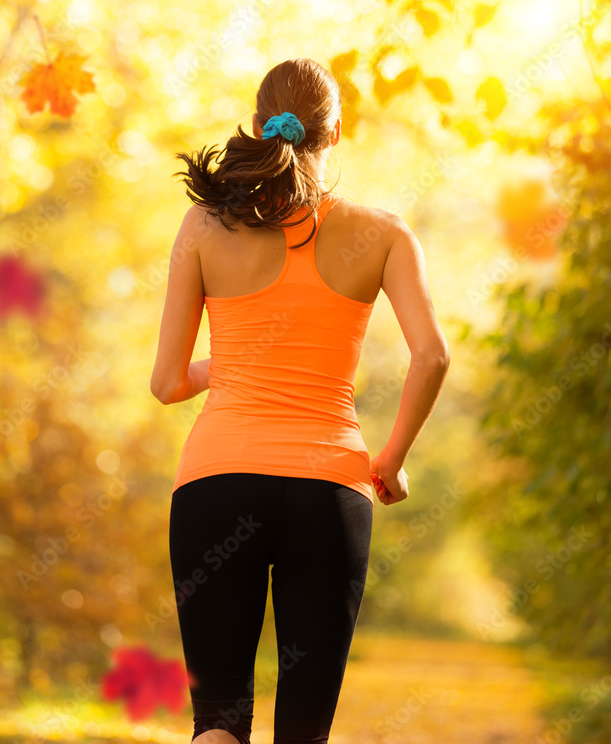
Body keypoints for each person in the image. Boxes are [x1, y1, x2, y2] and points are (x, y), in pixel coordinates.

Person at [150, 58, 450, 744]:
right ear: (335, 133)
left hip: (216, 482)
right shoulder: (384, 234)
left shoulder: (202, 226)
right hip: (330, 488)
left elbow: (166, 382)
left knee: (217, 724)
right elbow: (431, 355)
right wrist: (392, 459)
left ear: (257, 128)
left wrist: (227, 364)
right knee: (303, 733)